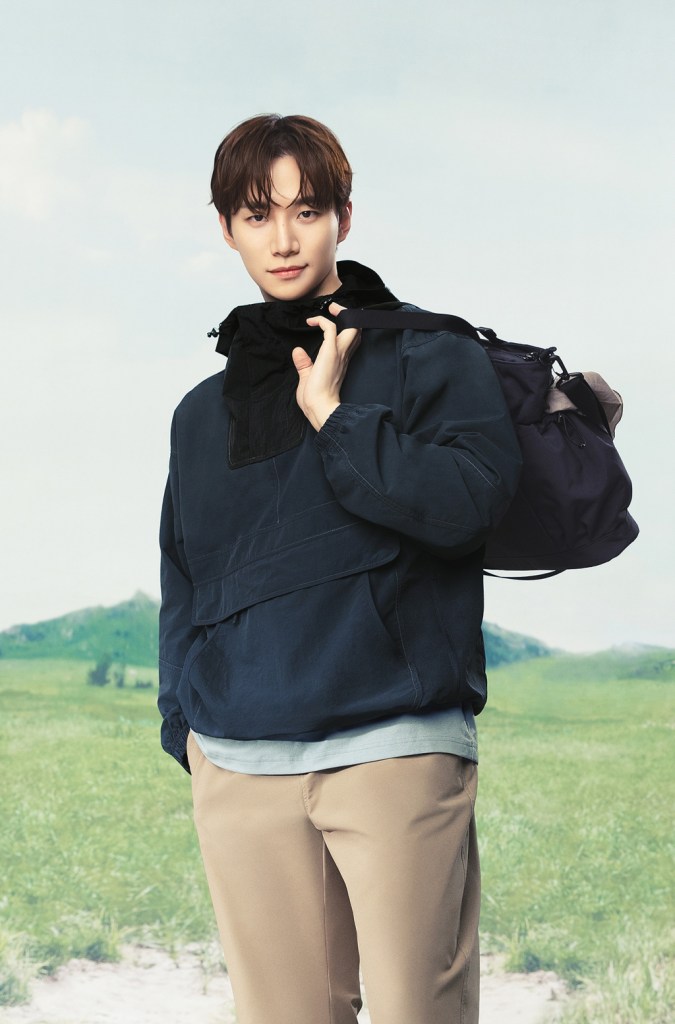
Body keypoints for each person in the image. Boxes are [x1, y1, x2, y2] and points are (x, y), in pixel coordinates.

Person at [158, 113, 522, 1024]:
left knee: (418, 1015)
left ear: (344, 219)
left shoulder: (432, 356)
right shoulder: (202, 411)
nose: (283, 239)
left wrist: (334, 417)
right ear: (226, 229)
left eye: (305, 209)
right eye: (255, 215)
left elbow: (469, 507)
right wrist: (187, 728)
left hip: (391, 748)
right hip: (240, 764)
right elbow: (185, 577)